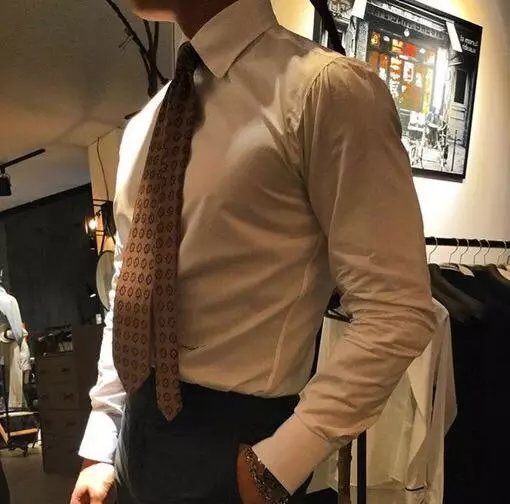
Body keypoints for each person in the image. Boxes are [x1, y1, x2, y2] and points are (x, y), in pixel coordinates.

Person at [71, 0, 435, 503]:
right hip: (135, 441)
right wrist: (103, 436)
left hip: (237, 451)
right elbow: (131, 285)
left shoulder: (326, 91)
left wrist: (276, 465)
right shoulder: (144, 126)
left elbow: (396, 308)